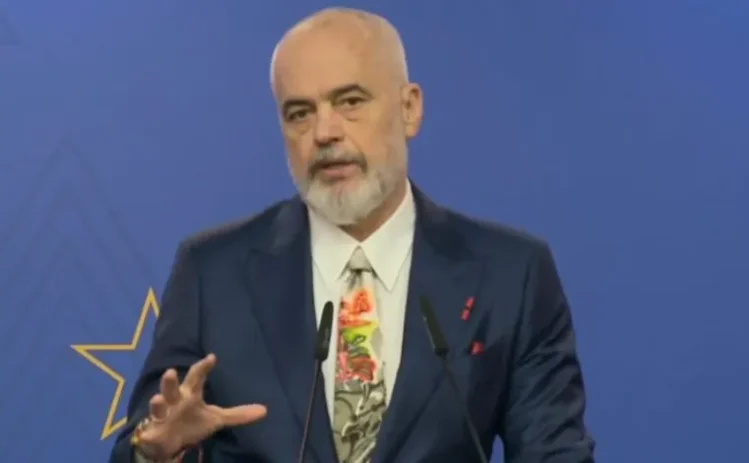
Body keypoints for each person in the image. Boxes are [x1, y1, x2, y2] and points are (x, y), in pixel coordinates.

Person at [109, 6, 595, 463]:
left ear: (409, 109)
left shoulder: (510, 275)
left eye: (350, 101)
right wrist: (158, 452)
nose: (324, 132)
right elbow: (146, 439)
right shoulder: (212, 274)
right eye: (300, 113)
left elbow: (556, 453)